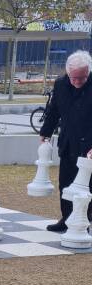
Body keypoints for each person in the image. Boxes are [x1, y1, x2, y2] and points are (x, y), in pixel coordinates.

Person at [39, 49, 92, 232]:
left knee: (86, 185)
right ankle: (67, 218)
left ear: (88, 71)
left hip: (89, 145)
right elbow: (54, 111)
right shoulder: (61, 84)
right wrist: (45, 132)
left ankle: (84, 221)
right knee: (66, 184)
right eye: (74, 78)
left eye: (82, 78)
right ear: (68, 72)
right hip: (68, 143)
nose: (77, 82)